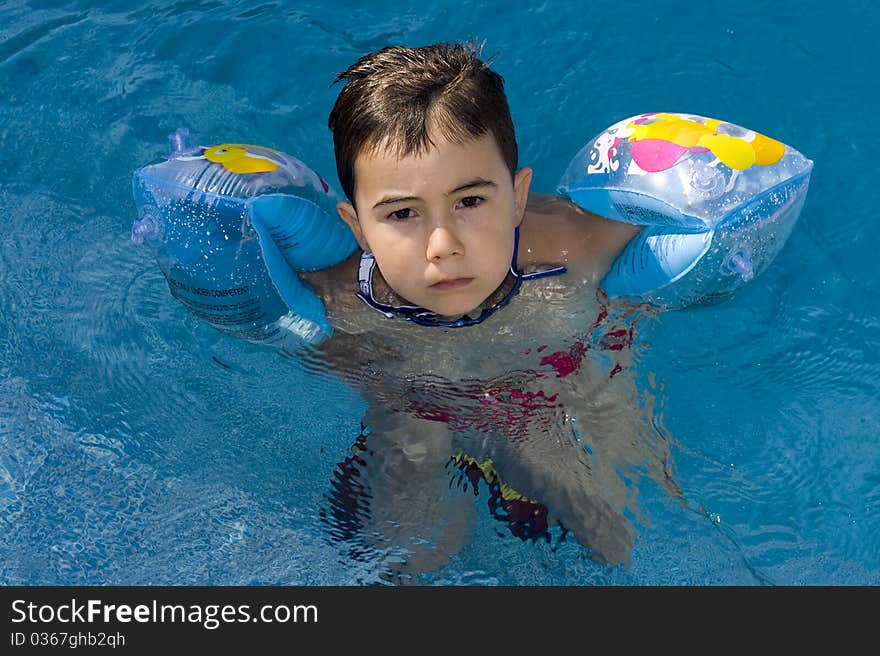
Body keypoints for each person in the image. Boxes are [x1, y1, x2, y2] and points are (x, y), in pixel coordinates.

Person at [291, 41, 679, 580]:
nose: (442, 243)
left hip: (540, 399)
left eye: (470, 201)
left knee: (615, 538)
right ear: (357, 227)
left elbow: (685, 222)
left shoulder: (574, 249)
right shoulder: (339, 301)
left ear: (518, 197)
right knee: (411, 553)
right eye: (402, 213)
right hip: (415, 412)